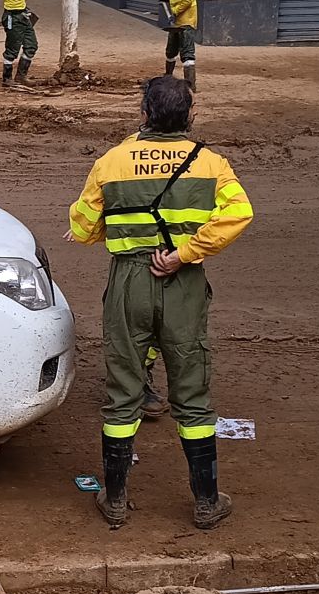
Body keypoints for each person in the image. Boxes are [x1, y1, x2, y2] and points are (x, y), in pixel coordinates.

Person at [66, 76, 254, 531]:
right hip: (183, 282)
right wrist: (185, 254)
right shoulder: (211, 163)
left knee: (122, 392)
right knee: (191, 393)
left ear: (145, 113)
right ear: (189, 116)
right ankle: (206, 503)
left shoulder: (111, 162)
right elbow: (238, 213)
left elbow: (84, 225)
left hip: (129, 281)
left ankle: (114, 500)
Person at [151, 0, 199, 91]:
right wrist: (170, 1)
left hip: (186, 22)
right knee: (170, 52)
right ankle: (167, 79)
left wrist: (175, 11)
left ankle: (190, 86)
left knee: (187, 54)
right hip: (178, 23)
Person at [0, 0, 41, 89]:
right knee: (12, 49)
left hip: (23, 15)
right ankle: (6, 78)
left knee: (31, 46)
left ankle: (21, 76)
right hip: (13, 17)